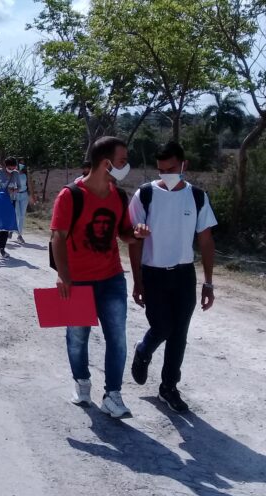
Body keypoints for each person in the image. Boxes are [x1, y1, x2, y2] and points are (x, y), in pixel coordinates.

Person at [50, 136, 150, 418]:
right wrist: (63, 275)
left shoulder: (119, 196)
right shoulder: (70, 196)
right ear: (106, 164)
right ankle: (81, 382)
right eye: (122, 161)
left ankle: (113, 395)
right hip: (77, 281)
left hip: (111, 278)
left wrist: (137, 234)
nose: (125, 165)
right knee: (78, 336)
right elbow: (57, 236)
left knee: (117, 338)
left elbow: (124, 233)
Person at [128, 141, 217, 413]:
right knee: (162, 328)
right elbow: (134, 241)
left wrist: (208, 282)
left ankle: (169, 387)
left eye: (172, 168)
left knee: (179, 334)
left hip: (183, 275)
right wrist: (138, 280)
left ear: (184, 166)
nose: (166, 174)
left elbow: (205, 240)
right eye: (161, 170)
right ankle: (143, 351)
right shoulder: (144, 195)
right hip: (153, 274)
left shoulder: (197, 197)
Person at [15, 159, 37, 243]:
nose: (22, 165)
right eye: (20, 163)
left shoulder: (26, 175)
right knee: (17, 214)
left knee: (22, 215)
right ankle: (13, 229)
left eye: (23, 163)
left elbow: (30, 186)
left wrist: (32, 196)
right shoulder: (13, 174)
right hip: (15, 196)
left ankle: (19, 235)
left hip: (24, 195)